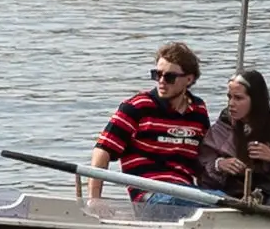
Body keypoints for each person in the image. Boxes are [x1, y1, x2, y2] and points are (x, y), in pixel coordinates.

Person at [86, 42, 210, 211]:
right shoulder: (137, 107)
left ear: (189, 79)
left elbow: (204, 158)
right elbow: (102, 150)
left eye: (169, 77)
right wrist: (94, 200)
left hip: (188, 192)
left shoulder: (199, 110)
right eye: (157, 74)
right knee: (212, 205)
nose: (161, 81)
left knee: (229, 203)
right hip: (149, 196)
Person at [203, 66, 270, 206]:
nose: (231, 104)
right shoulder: (220, 131)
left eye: (238, 98)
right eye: (229, 97)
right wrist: (219, 165)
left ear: (255, 99)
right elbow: (202, 168)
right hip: (233, 194)